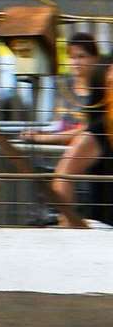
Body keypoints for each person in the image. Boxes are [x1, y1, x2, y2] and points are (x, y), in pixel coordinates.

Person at [21, 41, 110, 228]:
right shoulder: (99, 131)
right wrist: (70, 223)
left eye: (81, 56)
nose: (76, 62)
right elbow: (63, 174)